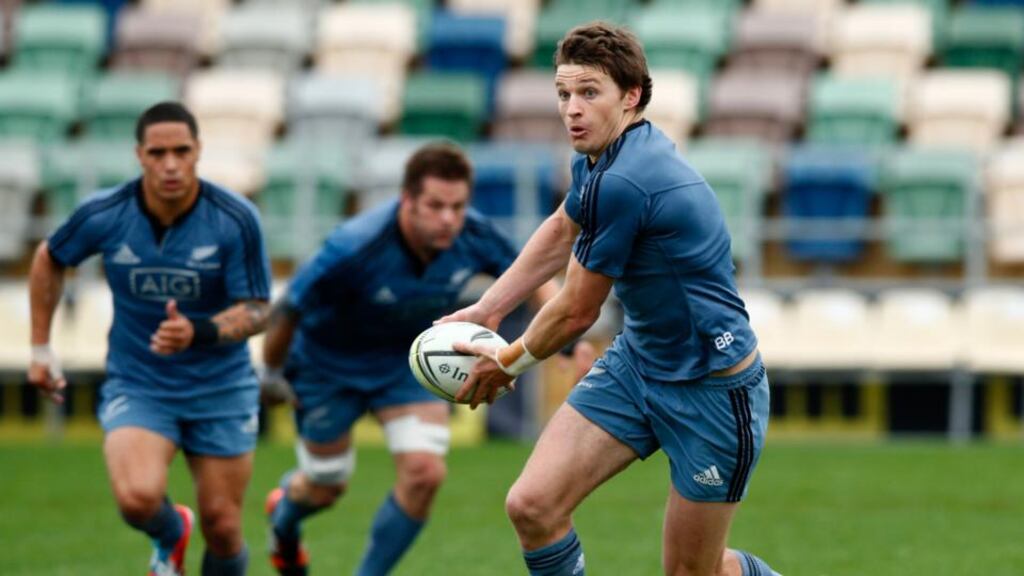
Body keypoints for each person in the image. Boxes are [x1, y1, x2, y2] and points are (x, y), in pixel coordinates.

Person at [443, 23, 782, 576]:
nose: (572, 109)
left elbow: (578, 310)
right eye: (563, 94)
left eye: (589, 92)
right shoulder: (599, 159)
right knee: (533, 506)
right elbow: (560, 229)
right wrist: (490, 309)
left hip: (713, 388)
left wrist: (506, 363)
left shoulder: (631, 178)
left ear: (632, 96)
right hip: (640, 365)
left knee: (695, 573)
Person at [259, 141, 569, 576]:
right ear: (407, 201)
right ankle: (285, 520)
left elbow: (531, 272)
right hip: (328, 366)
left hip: (406, 364)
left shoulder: (474, 233)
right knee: (325, 484)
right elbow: (289, 306)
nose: (448, 219)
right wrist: (271, 373)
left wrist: (564, 336)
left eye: (457, 206)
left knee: (425, 474)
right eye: (435, 206)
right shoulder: (355, 244)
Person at [28, 102, 272, 576]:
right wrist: (41, 348)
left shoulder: (235, 218)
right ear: (139, 155)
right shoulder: (105, 213)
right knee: (137, 499)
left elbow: (260, 310)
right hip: (140, 383)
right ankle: (171, 532)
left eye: (182, 151)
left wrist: (197, 331)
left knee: (223, 526)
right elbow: (49, 257)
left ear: (199, 150)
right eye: (158, 153)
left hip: (220, 387)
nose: (171, 164)